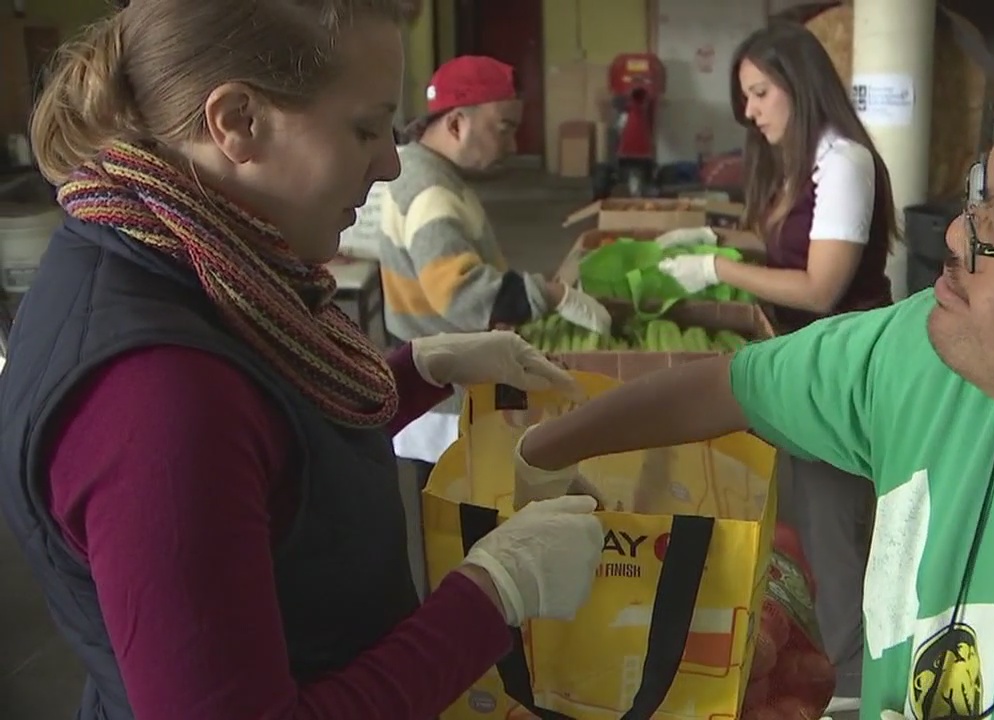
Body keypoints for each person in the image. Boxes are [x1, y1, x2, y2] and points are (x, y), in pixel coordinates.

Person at [512, 27, 994, 719]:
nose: (953, 236)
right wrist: (533, 463)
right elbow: (729, 385)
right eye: (976, 195)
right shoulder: (926, 355)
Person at [0, 2, 605, 719]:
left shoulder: (189, 260)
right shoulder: (155, 395)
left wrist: (416, 372)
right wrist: (493, 594)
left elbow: (267, 460)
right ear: (238, 122)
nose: (391, 164)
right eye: (365, 129)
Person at [656, 21, 896, 706]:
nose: (750, 110)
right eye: (747, 96)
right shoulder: (802, 158)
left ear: (801, 85)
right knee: (809, 521)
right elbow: (788, 246)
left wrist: (717, 268)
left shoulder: (845, 160)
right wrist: (713, 236)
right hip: (799, 362)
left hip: (841, 369)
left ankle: (853, 685)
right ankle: (828, 665)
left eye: (761, 93)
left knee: (835, 526)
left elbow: (820, 286)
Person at [366, 54, 611, 475]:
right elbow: (462, 295)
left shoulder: (428, 173)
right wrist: (553, 295)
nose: (513, 146)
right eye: (504, 128)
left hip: (437, 381)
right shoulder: (430, 192)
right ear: (457, 124)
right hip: (445, 400)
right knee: (459, 504)